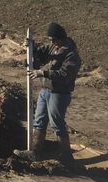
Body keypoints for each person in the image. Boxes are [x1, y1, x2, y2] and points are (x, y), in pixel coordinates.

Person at [15, 22, 81, 165]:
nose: (51, 42)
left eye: (53, 39)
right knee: (39, 120)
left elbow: (64, 75)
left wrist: (42, 72)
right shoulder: (53, 47)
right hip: (45, 90)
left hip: (59, 93)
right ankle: (35, 152)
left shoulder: (72, 54)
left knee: (56, 123)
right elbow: (40, 52)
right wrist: (31, 46)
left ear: (60, 38)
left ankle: (66, 156)